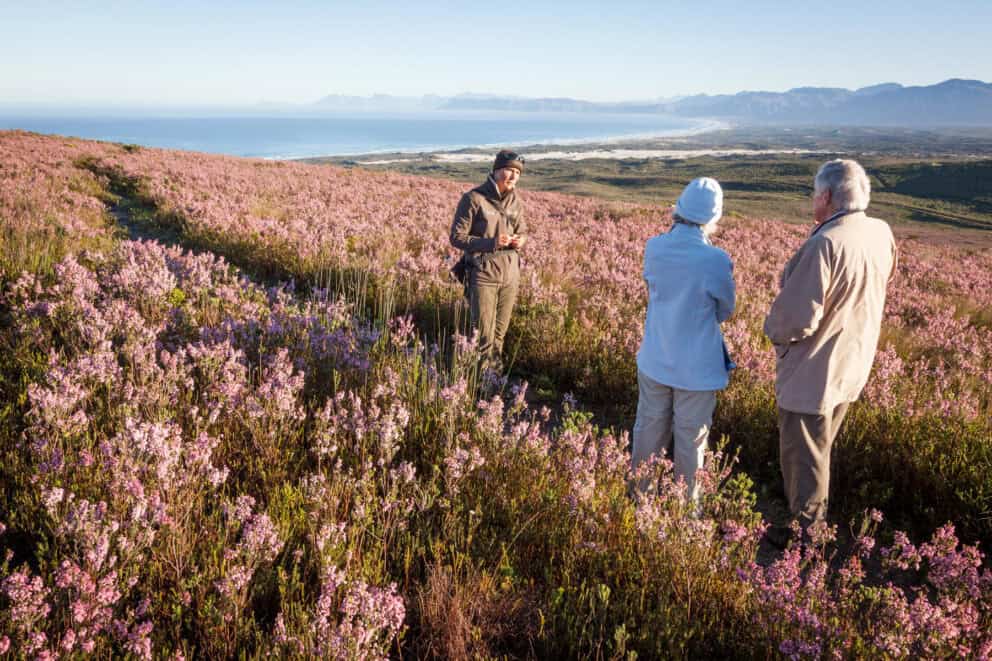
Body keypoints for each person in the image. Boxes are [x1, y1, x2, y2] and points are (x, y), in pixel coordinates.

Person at [763, 159, 897, 544]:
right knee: (821, 448)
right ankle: (808, 523)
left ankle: (808, 538)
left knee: (804, 455)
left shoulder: (825, 243)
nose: (812, 199)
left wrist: (772, 330)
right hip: (852, 362)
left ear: (825, 196)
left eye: (813, 193)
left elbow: (796, 318)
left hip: (813, 371)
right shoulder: (879, 231)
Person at [631, 177, 736, 503]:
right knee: (691, 440)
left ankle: (640, 497)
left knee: (648, 430)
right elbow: (725, 309)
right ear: (712, 217)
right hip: (697, 369)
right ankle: (684, 512)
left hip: (655, 357)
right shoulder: (715, 260)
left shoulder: (654, 246)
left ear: (679, 208)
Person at [449, 149, 528, 363]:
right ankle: (483, 388)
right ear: (496, 171)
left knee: (499, 335)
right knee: (484, 337)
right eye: (509, 171)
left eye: (517, 173)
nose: (513, 177)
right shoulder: (474, 198)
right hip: (484, 275)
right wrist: (490, 243)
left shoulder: (516, 202)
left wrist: (521, 240)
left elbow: (523, 231)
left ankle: (493, 380)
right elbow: (456, 237)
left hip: (511, 275)